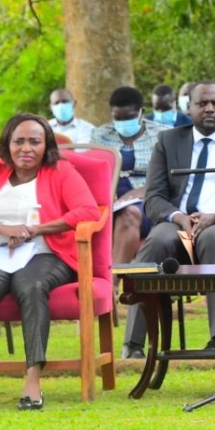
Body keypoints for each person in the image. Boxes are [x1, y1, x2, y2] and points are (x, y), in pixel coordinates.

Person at [0, 114, 99, 411]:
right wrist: (1, 228)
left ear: (46, 145)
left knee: (31, 284)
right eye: (19, 141)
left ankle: (32, 379)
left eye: (34, 141)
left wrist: (36, 230)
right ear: (7, 144)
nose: (26, 148)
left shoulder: (60, 172)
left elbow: (88, 211)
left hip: (45, 252)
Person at [120, 82, 215, 358]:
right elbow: (153, 197)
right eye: (202, 103)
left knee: (214, 237)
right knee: (157, 240)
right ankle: (133, 344)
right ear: (188, 108)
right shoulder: (168, 142)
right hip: (178, 225)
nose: (210, 108)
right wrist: (179, 217)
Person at [90, 86, 168, 299]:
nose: (123, 123)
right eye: (118, 118)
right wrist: (106, 192)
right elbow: (94, 172)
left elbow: (169, 177)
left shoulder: (161, 134)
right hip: (109, 199)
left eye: (129, 117)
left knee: (128, 216)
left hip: (148, 200)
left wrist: (142, 191)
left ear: (142, 112)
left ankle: (111, 287)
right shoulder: (100, 135)